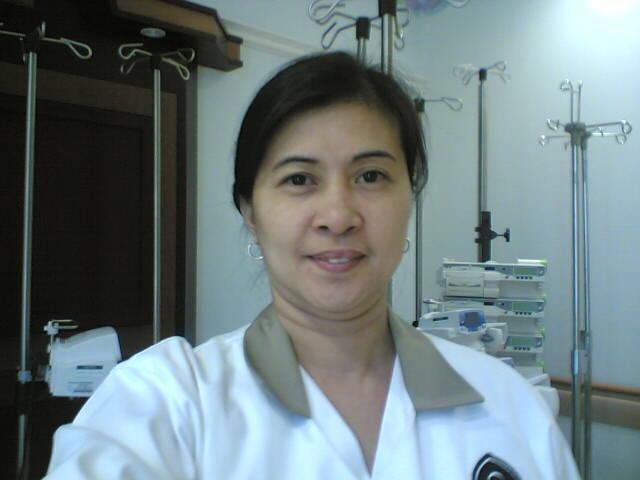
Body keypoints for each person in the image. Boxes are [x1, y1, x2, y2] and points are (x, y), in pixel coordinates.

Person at [46, 52, 579, 480]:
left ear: (409, 199)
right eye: (299, 179)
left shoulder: (509, 405)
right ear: (250, 212)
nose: (338, 216)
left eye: (371, 176)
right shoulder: (167, 402)